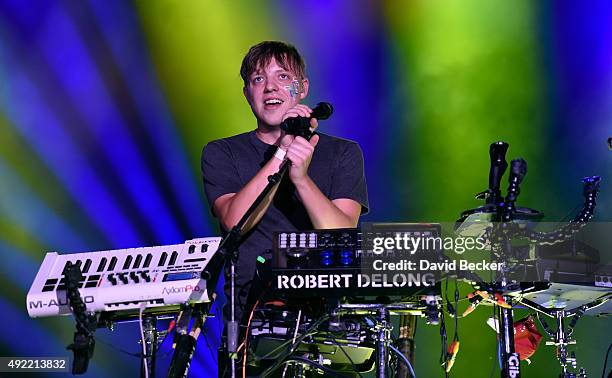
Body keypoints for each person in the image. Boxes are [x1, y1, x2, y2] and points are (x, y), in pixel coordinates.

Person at [201, 40, 369, 376]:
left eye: (283, 76)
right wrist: (282, 150)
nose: (271, 88)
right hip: (252, 322)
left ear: (303, 88)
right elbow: (235, 220)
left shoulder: (343, 154)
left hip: (329, 317)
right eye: (259, 80)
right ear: (248, 93)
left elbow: (341, 233)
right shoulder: (222, 153)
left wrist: (302, 178)